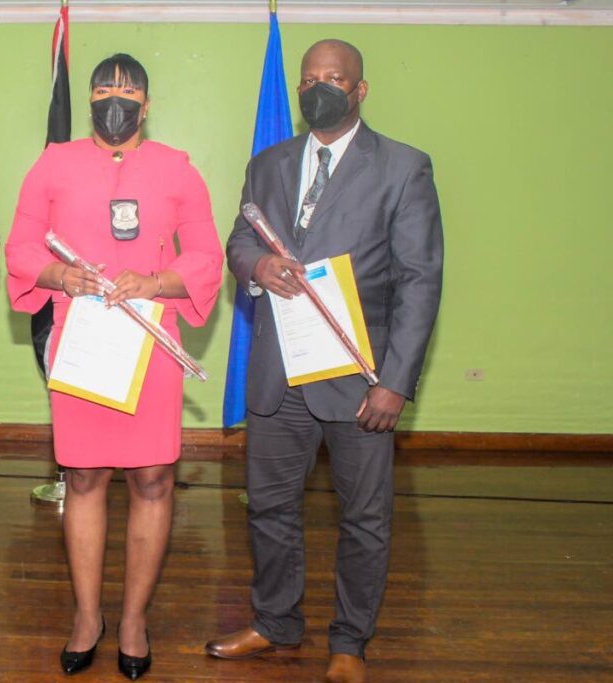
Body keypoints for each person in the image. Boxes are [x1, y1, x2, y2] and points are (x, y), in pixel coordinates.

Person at [205, 39, 443, 683]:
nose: (319, 88)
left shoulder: (402, 167)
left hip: (361, 377)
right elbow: (240, 236)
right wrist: (257, 264)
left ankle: (349, 642)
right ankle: (275, 621)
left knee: (364, 519)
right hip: (280, 372)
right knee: (268, 507)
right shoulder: (269, 162)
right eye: (309, 78)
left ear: (360, 89)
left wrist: (396, 381)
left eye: (334, 78)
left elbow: (420, 280)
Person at [5, 54, 223, 680]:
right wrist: (60, 274)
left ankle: (133, 618)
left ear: (147, 105)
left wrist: (156, 279)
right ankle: (87, 616)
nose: (116, 99)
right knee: (83, 479)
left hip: (152, 340)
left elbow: (207, 255)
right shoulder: (53, 163)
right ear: (91, 99)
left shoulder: (178, 169)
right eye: (104, 89)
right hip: (83, 341)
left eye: (129, 91)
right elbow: (20, 247)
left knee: (153, 479)